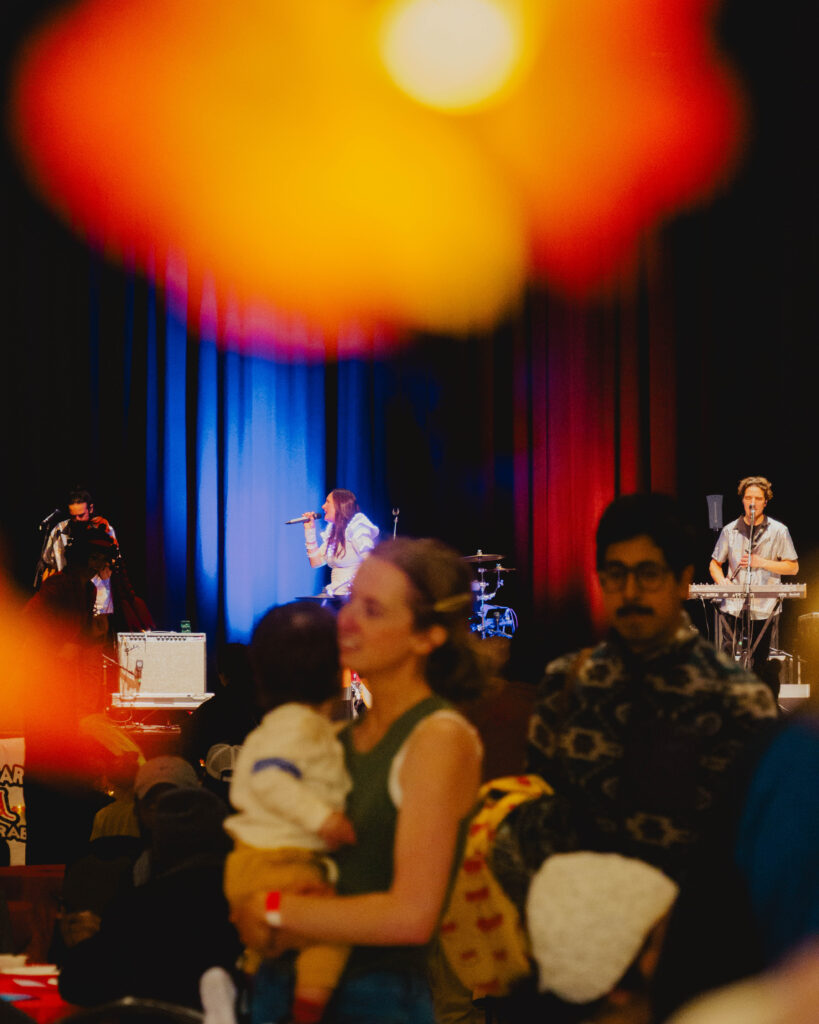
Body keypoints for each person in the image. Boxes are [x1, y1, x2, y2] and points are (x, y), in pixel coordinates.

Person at [231, 537, 485, 1024]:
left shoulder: (438, 737)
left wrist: (273, 908)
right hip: (285, 989)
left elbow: (412, 915)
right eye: (350, 603)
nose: (345, 621)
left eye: (372, 610)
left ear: (427, 636)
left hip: (373, 1001)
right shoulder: (341, 734)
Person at [528, 493, 779, 883]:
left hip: (692, 933)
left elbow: (760, 854)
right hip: (575, 924)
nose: (629, 592)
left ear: (682, 581)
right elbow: (537, 819)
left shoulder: (737, 700)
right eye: (615, 574)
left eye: (648, 574)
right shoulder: (566, 683)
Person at [223, 602, 356, 1024]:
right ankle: (306, 1007)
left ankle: (243, 983)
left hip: (262, 867)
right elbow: (270, 780)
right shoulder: (297, 725)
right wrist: (325, 821)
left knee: (277, 938)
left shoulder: (283, 724)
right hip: (280, 864)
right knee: (328, 935)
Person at [709, 475, 798, 696]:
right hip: (733, 606)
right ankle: (729, 704)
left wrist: (762, 562)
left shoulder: (779, 530)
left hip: (765, 607)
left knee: (760, 662)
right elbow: (714, 563)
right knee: (728, 659)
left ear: (765, 501)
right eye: (748, 497)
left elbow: (792, 567)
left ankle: (762, 707)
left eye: (757, 498)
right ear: (742, 500)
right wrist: (723, 583)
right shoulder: (730, 530)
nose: (752, 502)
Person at [303, 489, 379, 597]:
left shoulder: (357, 528)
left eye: (327, 502)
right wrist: (309, 530)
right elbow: (316, 562)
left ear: (340, 505)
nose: (323, 506)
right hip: (336, 596)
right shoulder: (334, 533)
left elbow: (372, 565)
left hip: (355, 596)